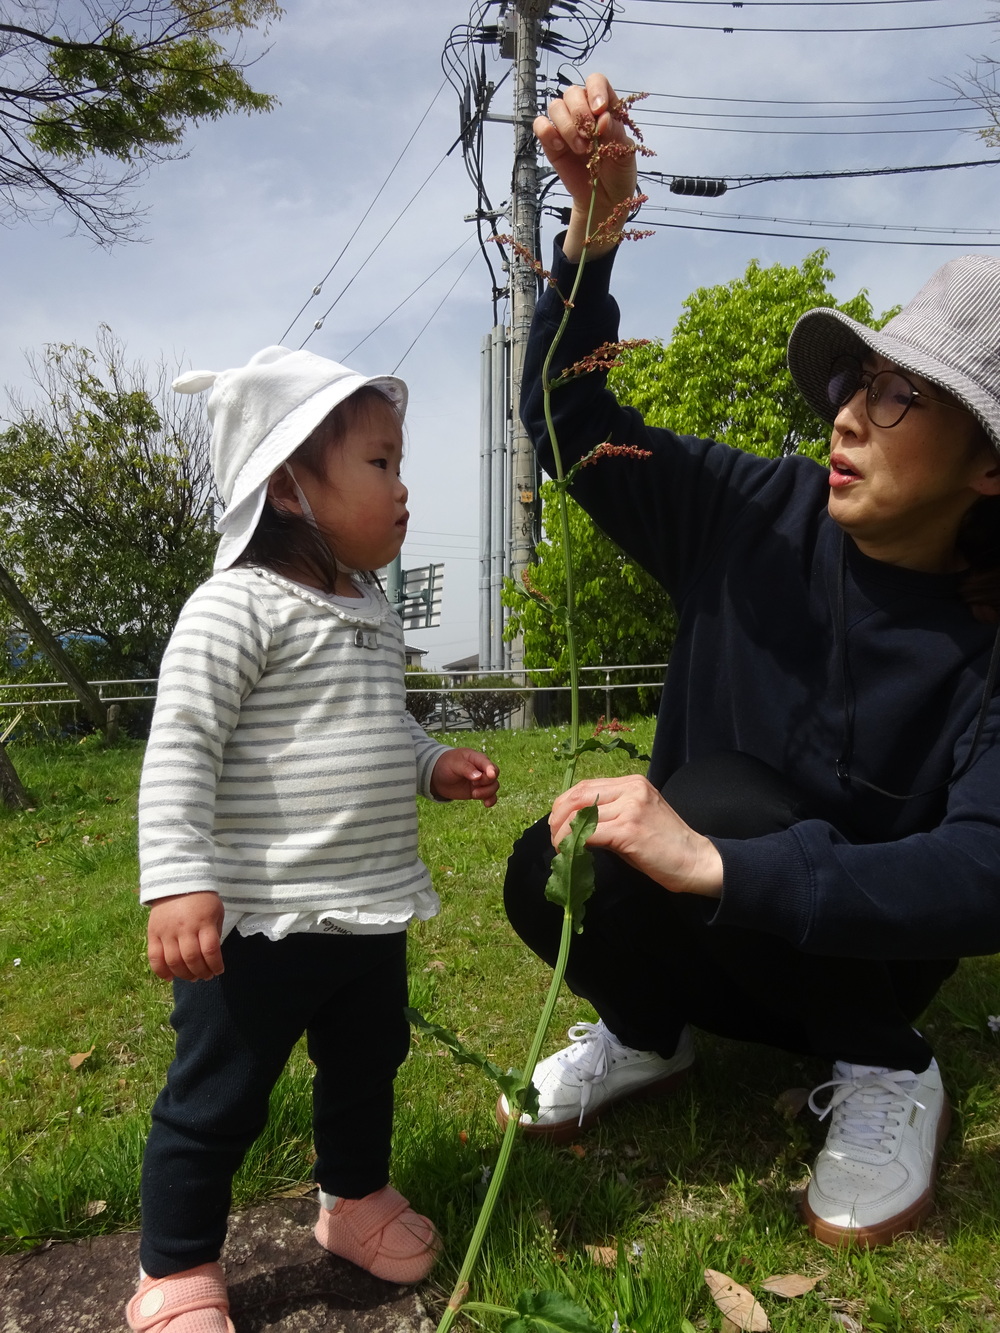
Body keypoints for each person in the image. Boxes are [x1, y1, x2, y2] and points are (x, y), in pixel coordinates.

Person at [500, 72, 1000, 1250]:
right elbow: (574, 430)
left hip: (859, 974)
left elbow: (984, 867)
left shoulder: (985, 635)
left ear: (988, 466)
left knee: (718, 800)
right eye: (849, 386)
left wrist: (722, 858)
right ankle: (648, 1030)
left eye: (896, 397)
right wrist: (593, 234)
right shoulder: (746, 509)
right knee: (549, 869)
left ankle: (887, 1071)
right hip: (715, 938)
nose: (843, 418)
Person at [127, 347, 500, 1332]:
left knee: (367, 1063)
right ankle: (175, 1268)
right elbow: (181, 745)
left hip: (369, 907)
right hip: (254, 920)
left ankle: (354, 1198)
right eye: (380, 464)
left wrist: (432, 763)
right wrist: (176, 881)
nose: (405, 485)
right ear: (290, 482)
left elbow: (386, 718)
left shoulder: (369, 607)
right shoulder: (234, 608)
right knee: (217, 1098)